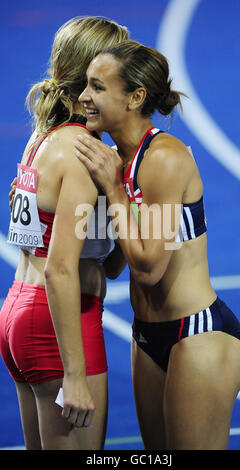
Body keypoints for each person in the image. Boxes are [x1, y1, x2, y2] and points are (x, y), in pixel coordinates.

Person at [74, 40, 240, 450]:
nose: (84, 98)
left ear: (135, 97)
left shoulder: (164, 158)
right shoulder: (119, 158)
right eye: (87, 85)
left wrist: (115, 191)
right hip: (147, 336)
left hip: (198, 335)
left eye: (97, 87)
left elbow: (149, 267)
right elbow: (116, 264)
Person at [0, 17, 128, 450]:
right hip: (60, 324)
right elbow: (60, 270)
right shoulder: (81, 154)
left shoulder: (44, 136)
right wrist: (74, 375)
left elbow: (104, 262)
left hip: (19, 312)